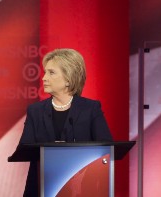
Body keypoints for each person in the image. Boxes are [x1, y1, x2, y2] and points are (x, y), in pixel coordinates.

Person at [18, 48, 113, 196]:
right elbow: (25, 148)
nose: (43, 78)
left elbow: (106, 146)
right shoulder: (35, 111)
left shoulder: (90, 109)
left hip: (81, 187)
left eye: (51, 72)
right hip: (41, 187)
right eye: (45, 72)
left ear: (68, 78)